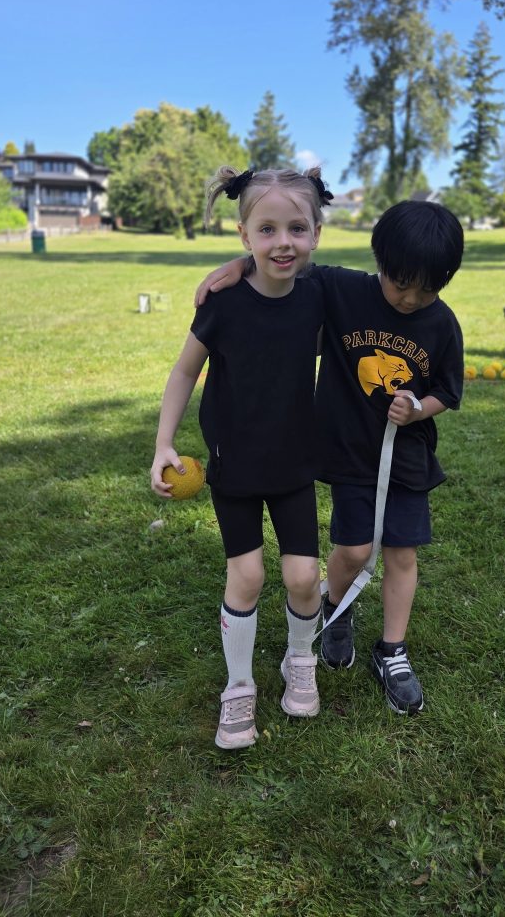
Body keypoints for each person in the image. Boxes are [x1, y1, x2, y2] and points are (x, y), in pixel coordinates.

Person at [194, 199, 464, 716]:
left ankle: (393, 650)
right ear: (381, 263)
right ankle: (336, 609)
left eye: (426, 289)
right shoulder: (344, 289)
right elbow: (285, 261)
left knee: (402, 555)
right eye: (400, 284)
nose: (410, 299)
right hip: (348, 452)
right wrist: (239, 265)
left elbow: (447, 391)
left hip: (405, 458)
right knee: (354, 550)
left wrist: (418, 409)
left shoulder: (442, 323)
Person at [151, 165, 331, 750]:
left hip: (294, 463)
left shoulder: (320, 297)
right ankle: (238, 685)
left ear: (317, 234)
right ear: (244, 234)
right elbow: (185, 371)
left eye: (297, 229)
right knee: (247, 576)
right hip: (234, 466)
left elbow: (377, 297)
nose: (283, 242)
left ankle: (299, 660)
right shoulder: (223, 304)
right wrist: (163, 443)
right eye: (266, 229)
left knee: (303, 577)